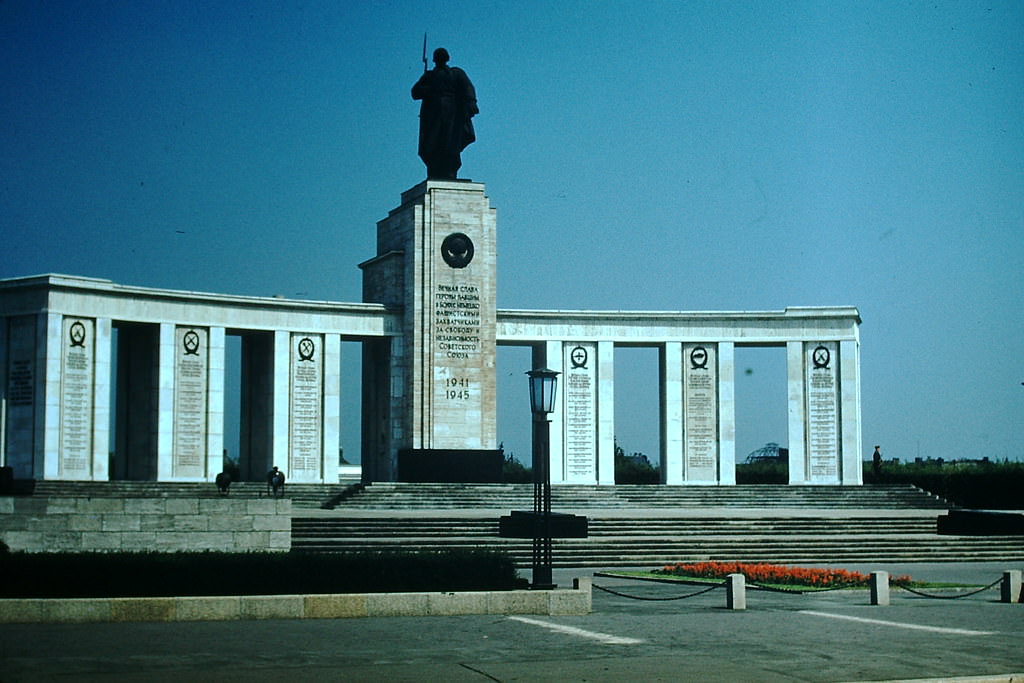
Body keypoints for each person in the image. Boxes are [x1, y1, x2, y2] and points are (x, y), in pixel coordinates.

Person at [412, 48, 478, 180]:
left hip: (452, 116)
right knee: (432, 144)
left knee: (451, 144)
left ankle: (450, 173)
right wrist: (430, 88)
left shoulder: (456, 73)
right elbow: (415, 92)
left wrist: (471, 102)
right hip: (433, 116)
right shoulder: (429, 76)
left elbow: (468, 87)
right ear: (435, 60)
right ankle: (434, 172)